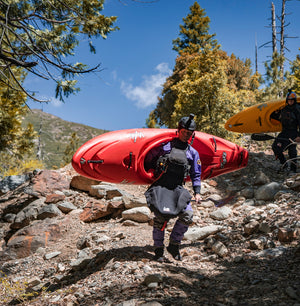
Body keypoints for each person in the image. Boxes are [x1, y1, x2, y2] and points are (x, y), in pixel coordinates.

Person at [144, 114, 201, 261]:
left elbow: (196, 174)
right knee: (161, 218)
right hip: (161, 186)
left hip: (177, 189)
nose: (186, 135)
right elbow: (148, 158)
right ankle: (158, 250)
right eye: (184, 132)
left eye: (189, 133)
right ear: (179, 130)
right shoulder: (165, 146)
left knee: (187, 215)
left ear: (192, 134)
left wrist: (197, 193)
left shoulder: (192, 153)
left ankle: (174, 245)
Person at [271, 91, 300, 173]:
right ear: (287, 100)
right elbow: (276, 118)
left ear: (294, 100)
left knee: (292, 151)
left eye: (292, 100)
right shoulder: (284, 109)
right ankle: (284, 164)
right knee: (275, 147)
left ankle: (293, 169)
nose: (290, 101)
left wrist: (299, 136)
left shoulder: (297, 109)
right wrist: (275, 113)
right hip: (284, 132)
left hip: (293, 132)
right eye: (289, 100)